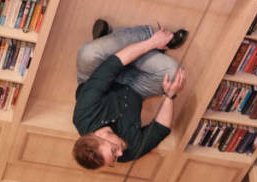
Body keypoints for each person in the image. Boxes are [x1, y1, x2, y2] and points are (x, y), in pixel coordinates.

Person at [73, 21, 188, 169]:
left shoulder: (84, 113)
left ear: (99, 136)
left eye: (114, 152)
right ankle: (112, 42)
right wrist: (169, 95)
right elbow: (160, 130)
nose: (120, 154)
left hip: (98, 73)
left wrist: (152, 42)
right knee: (174, 73)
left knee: (88, 53)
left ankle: (149, 38)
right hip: (135, 89)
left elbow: (111, 66)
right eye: (114, 160)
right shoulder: (127, 152)